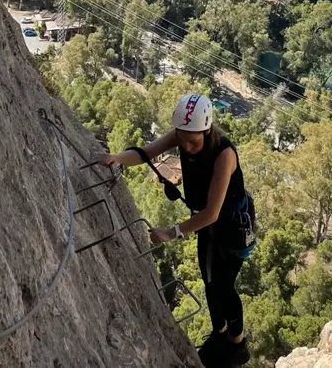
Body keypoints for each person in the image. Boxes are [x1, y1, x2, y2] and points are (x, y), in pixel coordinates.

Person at [98, 93, 255, 367]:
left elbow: (213, 212)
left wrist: (172, 232)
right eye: (181, 138)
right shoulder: (184, 135)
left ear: (206, 130)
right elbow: (145, 153)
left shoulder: (224, 155)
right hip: (206, 224)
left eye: (193, 141)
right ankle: (219, 333)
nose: (186, 146)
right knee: (208, 280)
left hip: (231, 228)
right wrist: (117, 159)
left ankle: (237, 344)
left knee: (223, 285)